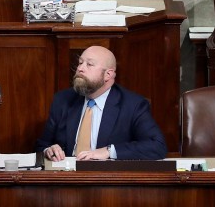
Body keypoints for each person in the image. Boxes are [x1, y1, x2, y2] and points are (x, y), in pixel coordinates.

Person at [35, 45, 167, 161]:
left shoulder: (132, 105)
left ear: (108, 75)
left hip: (108, 182)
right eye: (80, 63)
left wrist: (109, 152)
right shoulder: (62, 99)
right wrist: (49, 150)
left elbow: (157, 146)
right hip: (66, 178)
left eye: (89, 64)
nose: (80, 68)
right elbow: (42, 145)